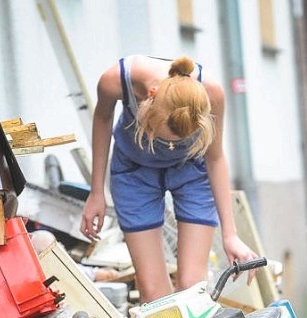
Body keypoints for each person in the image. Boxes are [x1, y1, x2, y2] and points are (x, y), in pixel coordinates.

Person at [80, 55, 257, 303]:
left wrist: (230, 235)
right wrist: (96, 191)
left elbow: (215, 159)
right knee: (154, 294)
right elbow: (101, 120)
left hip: (191, 170)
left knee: (192, 287)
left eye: (176, 142)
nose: (166, 146)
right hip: (134, 171)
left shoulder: (211, 92)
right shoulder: (116, 80)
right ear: (149, 96)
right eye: (157, 135)